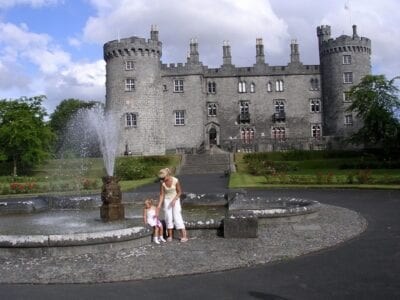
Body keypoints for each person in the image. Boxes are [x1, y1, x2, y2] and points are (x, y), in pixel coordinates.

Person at [157, 168, 188, 242]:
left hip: (175, 199)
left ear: (167, 175)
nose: (162, 179)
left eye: (163, 178)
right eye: (161, 178)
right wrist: (158, 206)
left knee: (177, 216)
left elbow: (179, 192)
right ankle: (170, 236)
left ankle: (184, 236)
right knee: (168, 217)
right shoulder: (162, 183)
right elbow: (161, 195)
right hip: (167, 200)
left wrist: (174, 200)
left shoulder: (175, 180)